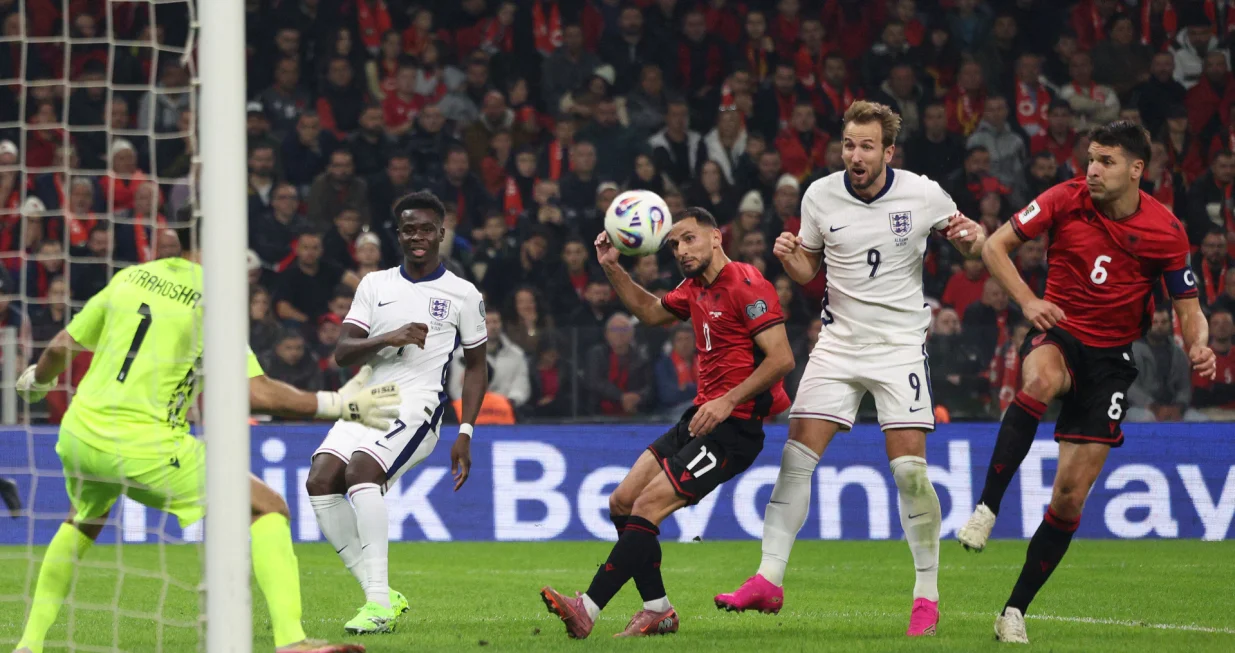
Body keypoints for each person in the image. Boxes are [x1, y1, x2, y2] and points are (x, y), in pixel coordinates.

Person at [12, 236, 399, 653]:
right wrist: (339, 404)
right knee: (268, 507)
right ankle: (292, 641)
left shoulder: (129, 278)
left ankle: (28, 645)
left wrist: (38, 381)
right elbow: (256, 393)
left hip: (80, 433)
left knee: (84, 518)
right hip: (143, 441)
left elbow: (61, 345)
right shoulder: (213, 299)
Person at [713, 100, 985, 638]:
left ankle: (926, 597)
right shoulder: (819, 195)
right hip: (837, 344)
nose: (855, 156)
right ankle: (768, 579)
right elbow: (808, 270)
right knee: (795, 458)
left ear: (888, 152)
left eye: (866, 147)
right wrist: (790, 255)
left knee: (909, 473)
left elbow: (974, 249)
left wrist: (972, 239)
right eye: (848, 145)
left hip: (899, 347)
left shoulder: (923, 193)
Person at [954, 121, 1215, 643]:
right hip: (1060, 333)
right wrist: (1029, 301)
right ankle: (987, 508)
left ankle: (1013, 611)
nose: (1092, 170)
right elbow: (995, 247)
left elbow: (1189, 308)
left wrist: (1199, 345)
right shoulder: (1064, 198)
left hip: (1112, 361)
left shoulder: (1166, 230)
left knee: (1070, 498)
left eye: (1106, 161)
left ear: (1136, 170)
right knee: (1039, 382)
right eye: (1091, 159)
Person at [539, 208, 795, 639]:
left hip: (735, 427)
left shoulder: (747, 283)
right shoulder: (694, 288)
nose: (680, 250)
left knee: (647, 507)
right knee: (622, 502)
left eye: (689, 239)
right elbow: (651, 311)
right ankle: (658, 610)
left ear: (716, 237)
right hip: (700, 418)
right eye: (674, 243)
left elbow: (782, 359)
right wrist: (612, 267)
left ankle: (587, 608)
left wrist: (728, 401)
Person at [303, 191, 489, 635]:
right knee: (320, 481)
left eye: (426, 229)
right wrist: (389, 337)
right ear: (398, 235)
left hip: (418, 404)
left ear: (441, 233)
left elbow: (477, 366)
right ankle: (381, 593)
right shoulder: (374, 285)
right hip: (369, 398)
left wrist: (466, 430)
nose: (417, 237)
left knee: (361, 473)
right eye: (409, 230)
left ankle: (378, 605)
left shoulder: (463, 294)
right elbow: (343, 352)